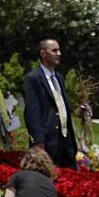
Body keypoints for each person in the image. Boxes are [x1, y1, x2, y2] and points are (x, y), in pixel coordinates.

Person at [23, 38, 79, 168]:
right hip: (47, 143)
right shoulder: (33, 79)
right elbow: (32, 113)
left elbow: (61, 106)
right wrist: (39, 142)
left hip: (66, 141)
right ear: (43, 53)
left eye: (59, 50)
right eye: (54, 50)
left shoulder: (59, 78)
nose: (59, 53)